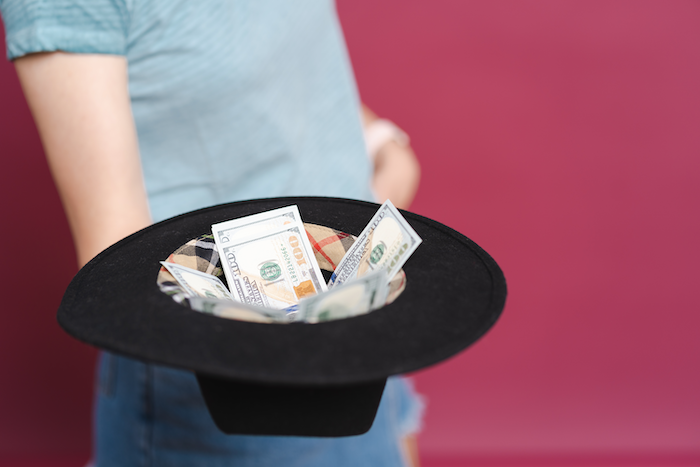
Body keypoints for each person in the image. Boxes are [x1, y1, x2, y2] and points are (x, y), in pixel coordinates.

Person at [1, 0, 422, 465]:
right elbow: (115, 264)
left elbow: (280, 55)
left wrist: (378, 139)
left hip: (364, 317)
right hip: (237, 381)